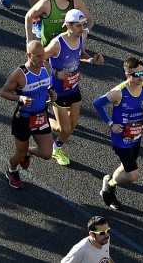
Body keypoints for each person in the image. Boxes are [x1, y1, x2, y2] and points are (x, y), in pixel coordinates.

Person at [92, 56, 143, 210]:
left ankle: (109, 183)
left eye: (142, 73)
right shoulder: (118, 93)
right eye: (136, 75)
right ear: (127, 75)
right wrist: (110, 124)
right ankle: (109, 186)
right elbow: (97, 104)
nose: (140, 77)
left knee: (125, 167)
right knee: (133, 175)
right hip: (121, 140)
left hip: (136, 136)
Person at [42, 10, 103, 167]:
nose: (82, 29)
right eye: (78, 26)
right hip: (58, 90)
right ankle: (56, 149)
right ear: (68, 26)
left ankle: (42, 118)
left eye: (83, 25)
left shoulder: (80, 37)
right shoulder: (57, 43)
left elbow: (80, 54)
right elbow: (39, 59)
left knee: (72, 125)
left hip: (74, 87)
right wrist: (55, 72)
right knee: (65, 129)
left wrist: (91, 60)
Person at [0, 40, 54, 189]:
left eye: (43, 56)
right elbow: (3, 92)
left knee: (48, 154)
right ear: (28, 55)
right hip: (23, 118)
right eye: (38, 56)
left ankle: (26, 152)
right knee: (19, 152)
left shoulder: (46, 66)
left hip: (41, 116)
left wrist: (51, 92)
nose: (42, 59)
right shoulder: (19, 74)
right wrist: (20, 98)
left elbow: (46, 84)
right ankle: (12, 170)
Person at [23, 0, 93, 46]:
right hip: (48, 49)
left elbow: (90, 19)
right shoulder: (46, 3)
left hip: (68, 47)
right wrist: (29, 41)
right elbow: (28, 16)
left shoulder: (76, 1)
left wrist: (85, 31)